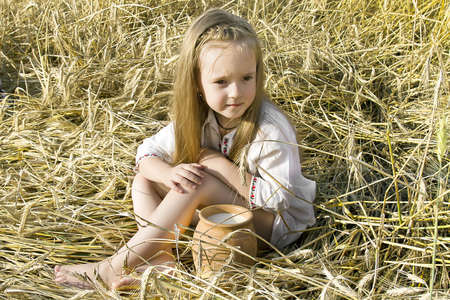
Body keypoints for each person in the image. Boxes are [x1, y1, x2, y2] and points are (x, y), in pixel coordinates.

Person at [54, 8, 316, 290]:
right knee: (146, 179)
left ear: (257, 74)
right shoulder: (199, 118)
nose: (236, 92)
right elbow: (145, 154)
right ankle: (161, 258)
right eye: (221, 82)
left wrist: (218, 165)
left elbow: (280, 200)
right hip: (222, 212)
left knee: (198, 182)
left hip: (271, 226)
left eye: (246, 78)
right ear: (197, 83)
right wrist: (166, 174)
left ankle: (110, 269)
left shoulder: (269, 129)